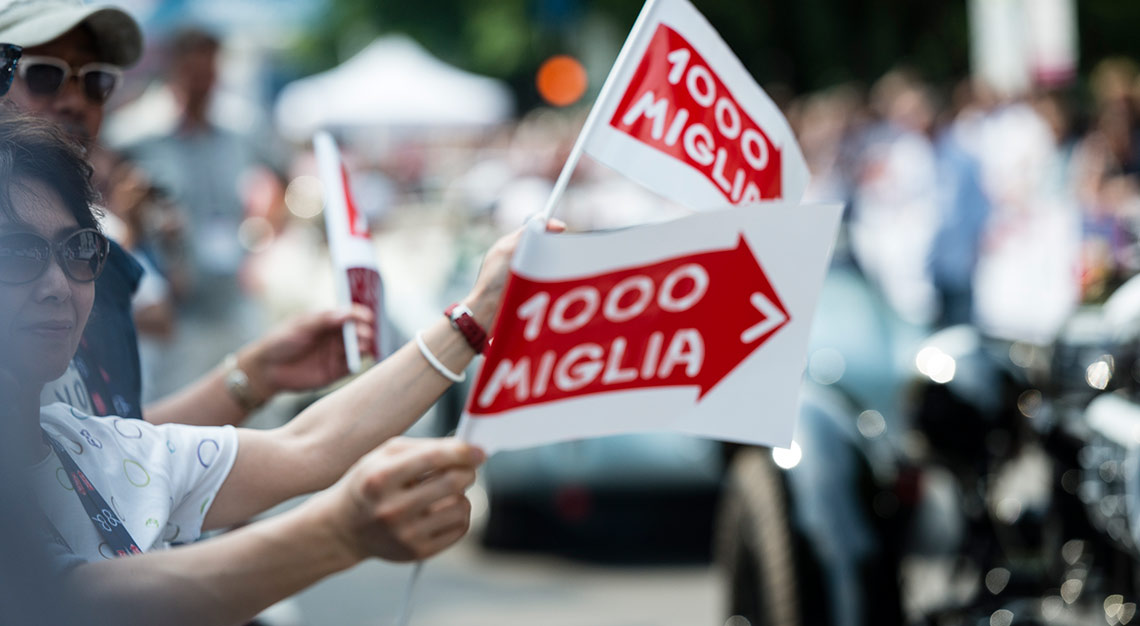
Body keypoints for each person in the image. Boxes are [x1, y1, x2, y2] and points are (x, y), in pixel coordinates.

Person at [0, 110, 548, 625]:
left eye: (78, 250)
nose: (56, 286)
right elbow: (74, 600)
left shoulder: (80, 444)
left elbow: (306, 447)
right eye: (18, 254)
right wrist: (334, 535)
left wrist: (475, 317)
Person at [0, 0, 375, 428]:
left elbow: (121, 448)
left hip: (227, 301)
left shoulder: (241, 128)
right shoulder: (138, 137)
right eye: (46, 75)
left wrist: (261, 238)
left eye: (96, 81)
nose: (73, 101)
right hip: (183, 322)